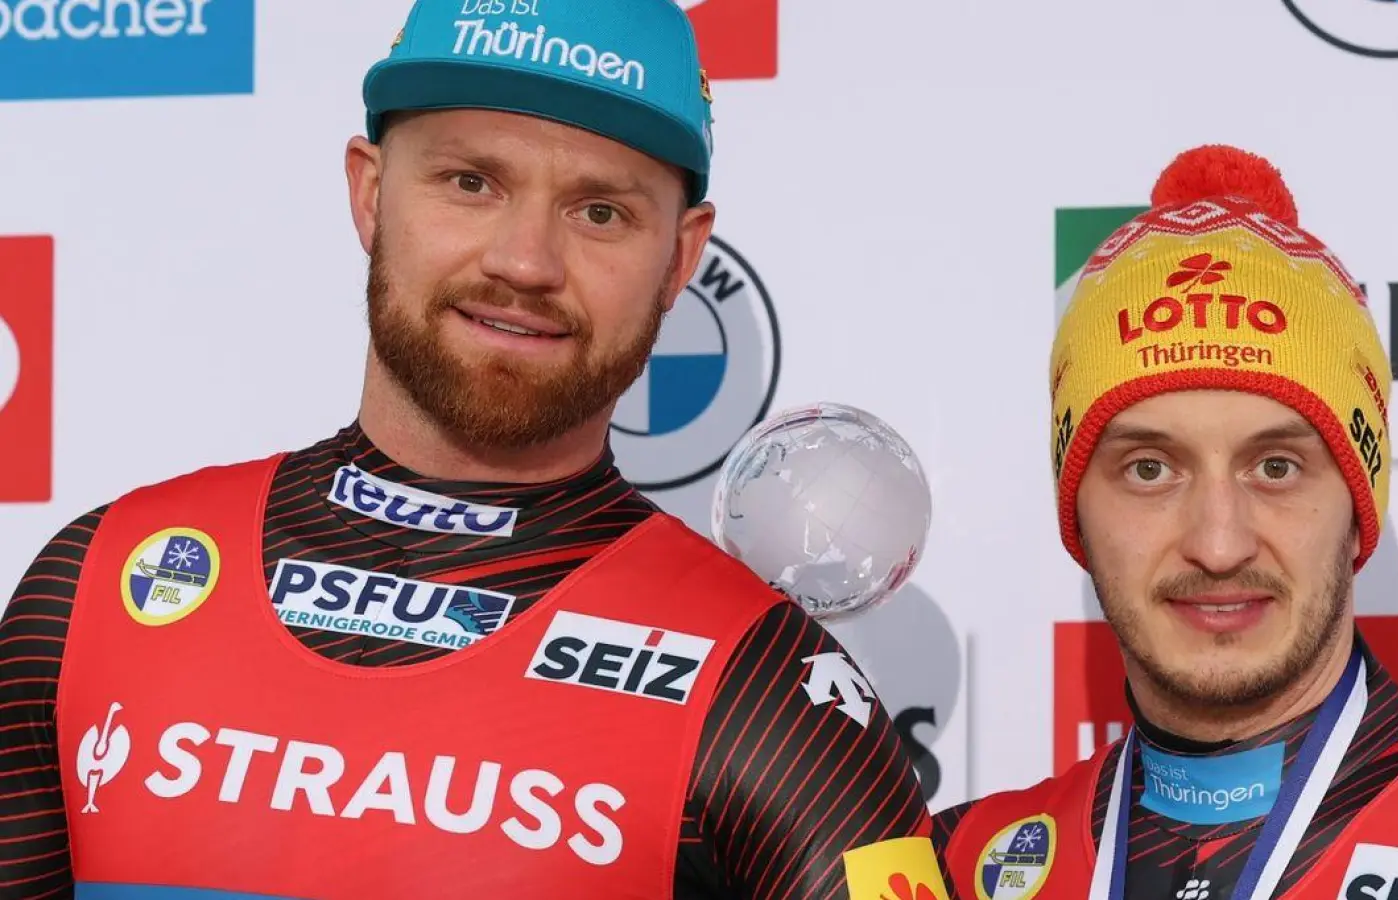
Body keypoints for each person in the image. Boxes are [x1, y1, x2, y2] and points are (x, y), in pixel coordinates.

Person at [0, 0, 951, 897]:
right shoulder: (97, 588)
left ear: (681, 258)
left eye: (600, 212)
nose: (525, 261)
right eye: (470, 182)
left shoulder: (774, 697)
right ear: (370, 195)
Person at [932, 145, 1398, 900]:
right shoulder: (954, 869)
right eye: (1150, 468)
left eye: (1275, 467)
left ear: (1357, 507)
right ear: (1077, 513)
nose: (1218, 545)